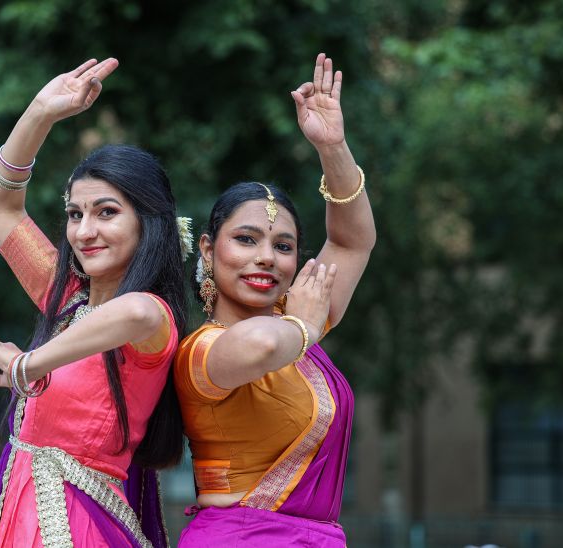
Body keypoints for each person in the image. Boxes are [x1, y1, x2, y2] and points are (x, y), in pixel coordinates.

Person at [0, 57, 189, 547]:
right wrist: (41, 112)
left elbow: (135, 312)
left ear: (148, 223)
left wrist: (24, 365)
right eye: (75, 213)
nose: (84, 231)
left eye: (106, 213)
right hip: (15, 512)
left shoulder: (152, 318)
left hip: (79, 522)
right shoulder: (65, 299)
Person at [175, 53, 375, 546]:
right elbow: (263, 347)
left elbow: (351, 242)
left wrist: (333, 147)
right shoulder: (201, 352)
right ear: (208, 247)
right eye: (245, 239)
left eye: (282, 246)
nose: (265, 258)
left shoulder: (297, 324)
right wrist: (305, 328)